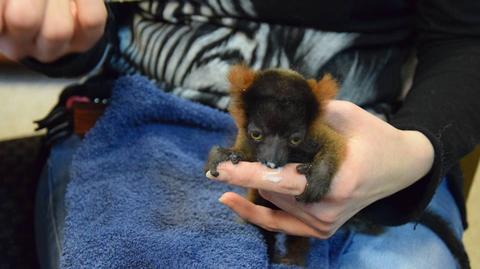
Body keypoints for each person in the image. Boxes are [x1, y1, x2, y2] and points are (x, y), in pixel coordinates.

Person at [1, 0, 479, 268]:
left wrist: (416, 149)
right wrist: (74, 36)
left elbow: (466, 41)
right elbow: (96, 22)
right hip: (145, 110)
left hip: (377, 139)